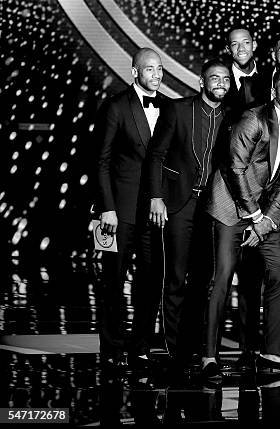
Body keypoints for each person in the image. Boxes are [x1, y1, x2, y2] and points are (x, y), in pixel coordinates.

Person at [204, 66, 280, 377]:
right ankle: (209, 356)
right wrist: (254, 216)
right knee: (223, 277)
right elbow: (234, 169)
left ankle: (272, 353)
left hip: (262, 212)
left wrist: (268, 219)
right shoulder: (253, 119)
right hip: (229, 206)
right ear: (275, 91)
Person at [147, 59, 232, 371]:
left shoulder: (233, 117)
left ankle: (196, 344)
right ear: (202, 81)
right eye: (214, 78)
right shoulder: (178, 109)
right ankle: (175, 348)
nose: (221, 82)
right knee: (176, 277)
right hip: (178, 203)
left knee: (202, 279)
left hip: (213, 206)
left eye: (225, 78)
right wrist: (156, 197)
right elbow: (156, 155)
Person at [94, 48, 166, 370]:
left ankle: (140, 347)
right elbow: (102, 161)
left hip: (154, 212)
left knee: (151, 281)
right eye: (149, 69)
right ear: (135, 72)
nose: (157, 74)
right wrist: (106, 208)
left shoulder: (168, 108)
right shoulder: (116, 107)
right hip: (119, 211)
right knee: (113, 280)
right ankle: (110, 348)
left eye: (160, 68)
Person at [224, 28, 268, 122]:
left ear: (254, 45)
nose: (241, 49)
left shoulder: (270, 76)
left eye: (246, 42)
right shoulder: (221, 80)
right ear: (228, 49)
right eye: (234, 44)